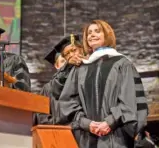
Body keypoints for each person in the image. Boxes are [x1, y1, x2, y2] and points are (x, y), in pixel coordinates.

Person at [58, 20, 148, 148]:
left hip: (116, 137)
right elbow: (67, 103)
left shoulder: (122, 64)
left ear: (107, 35)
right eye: (89, 33)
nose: (92, 35)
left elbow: (130, 101)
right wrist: (86, 123)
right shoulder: (80, 68)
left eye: (97, 31)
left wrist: (109, 122)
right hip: (87, 138)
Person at [34, 34, 86, 125]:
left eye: (73, 51)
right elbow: (41, 116)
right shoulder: (48, 89)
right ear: (57, 66)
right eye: (64, 61)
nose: (70, 59)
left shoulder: (86, 75)